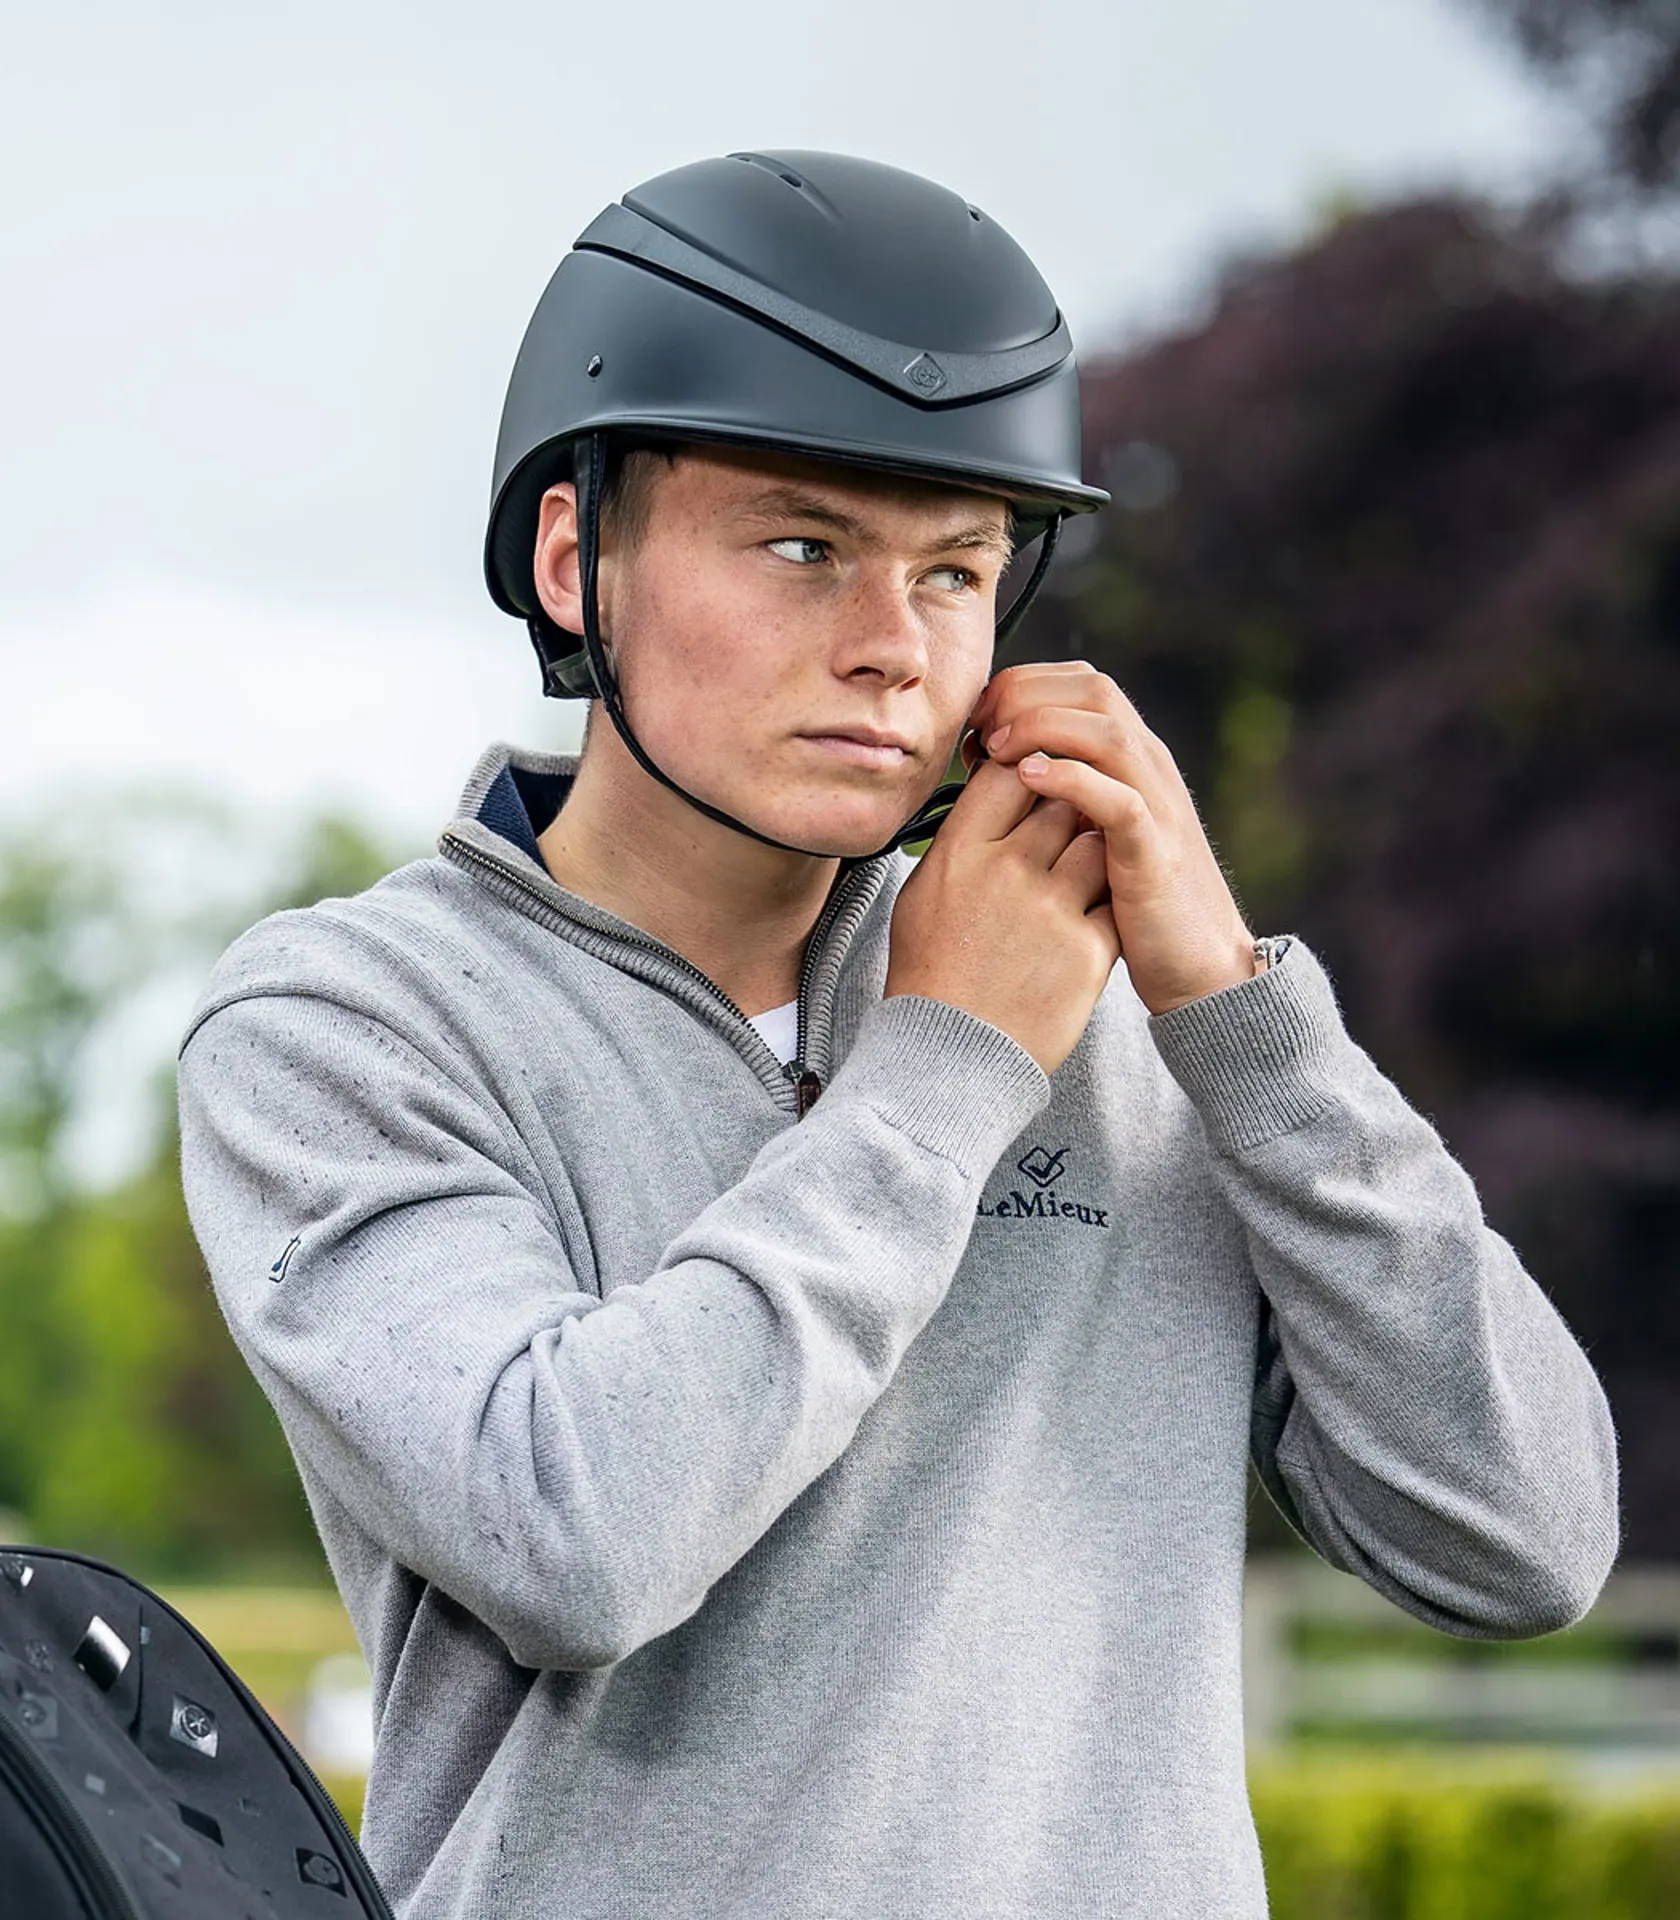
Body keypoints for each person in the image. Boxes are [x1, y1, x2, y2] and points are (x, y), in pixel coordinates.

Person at [177, 151, 1618, 1918]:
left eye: (954, 572)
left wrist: (1242, 1014)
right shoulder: (343, 1026)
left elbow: (1523, 1538)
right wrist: (948, 1060)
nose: (891, 646)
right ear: (575, 557)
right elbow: (573, 1536)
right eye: (804, 548)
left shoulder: (1137, 1019)